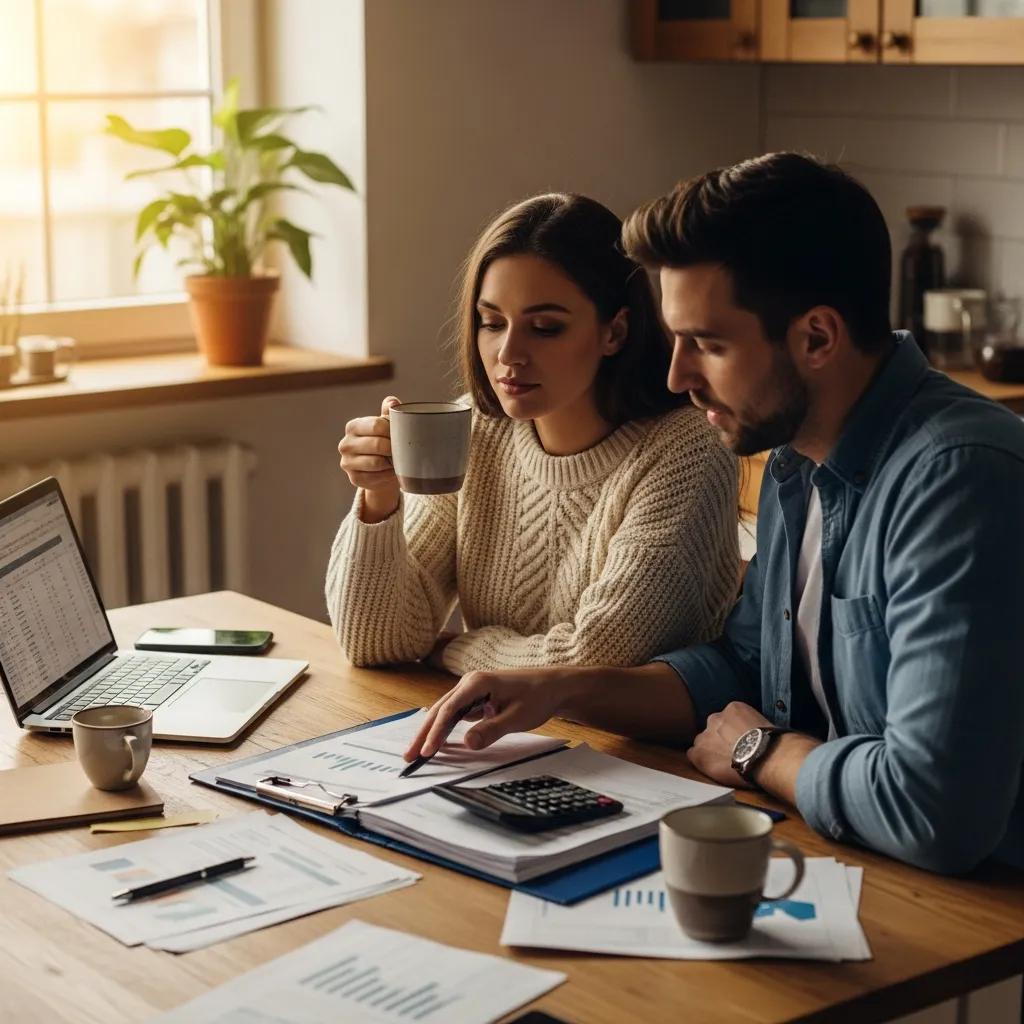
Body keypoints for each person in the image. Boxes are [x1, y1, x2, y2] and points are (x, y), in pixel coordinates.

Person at [406, 154, 1024, 876]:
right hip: (838, 854)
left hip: (981, 922)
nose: (676, 376)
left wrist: (765, 752)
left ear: (817, 338)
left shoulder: (960, 480)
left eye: (708, 344)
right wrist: (563, 687)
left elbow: (934, 811)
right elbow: (742, 669)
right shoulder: (797, 456)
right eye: (675, 340)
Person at [326, 193, 739, 675]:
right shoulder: (476, 430)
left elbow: (602, 657)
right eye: (492, 323)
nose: (508, 353)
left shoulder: (687, 450)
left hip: (637, 747)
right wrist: (377, 501)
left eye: (544, 327)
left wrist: (460, 650)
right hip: (497, 735)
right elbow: (375, 642)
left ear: (616, 333)